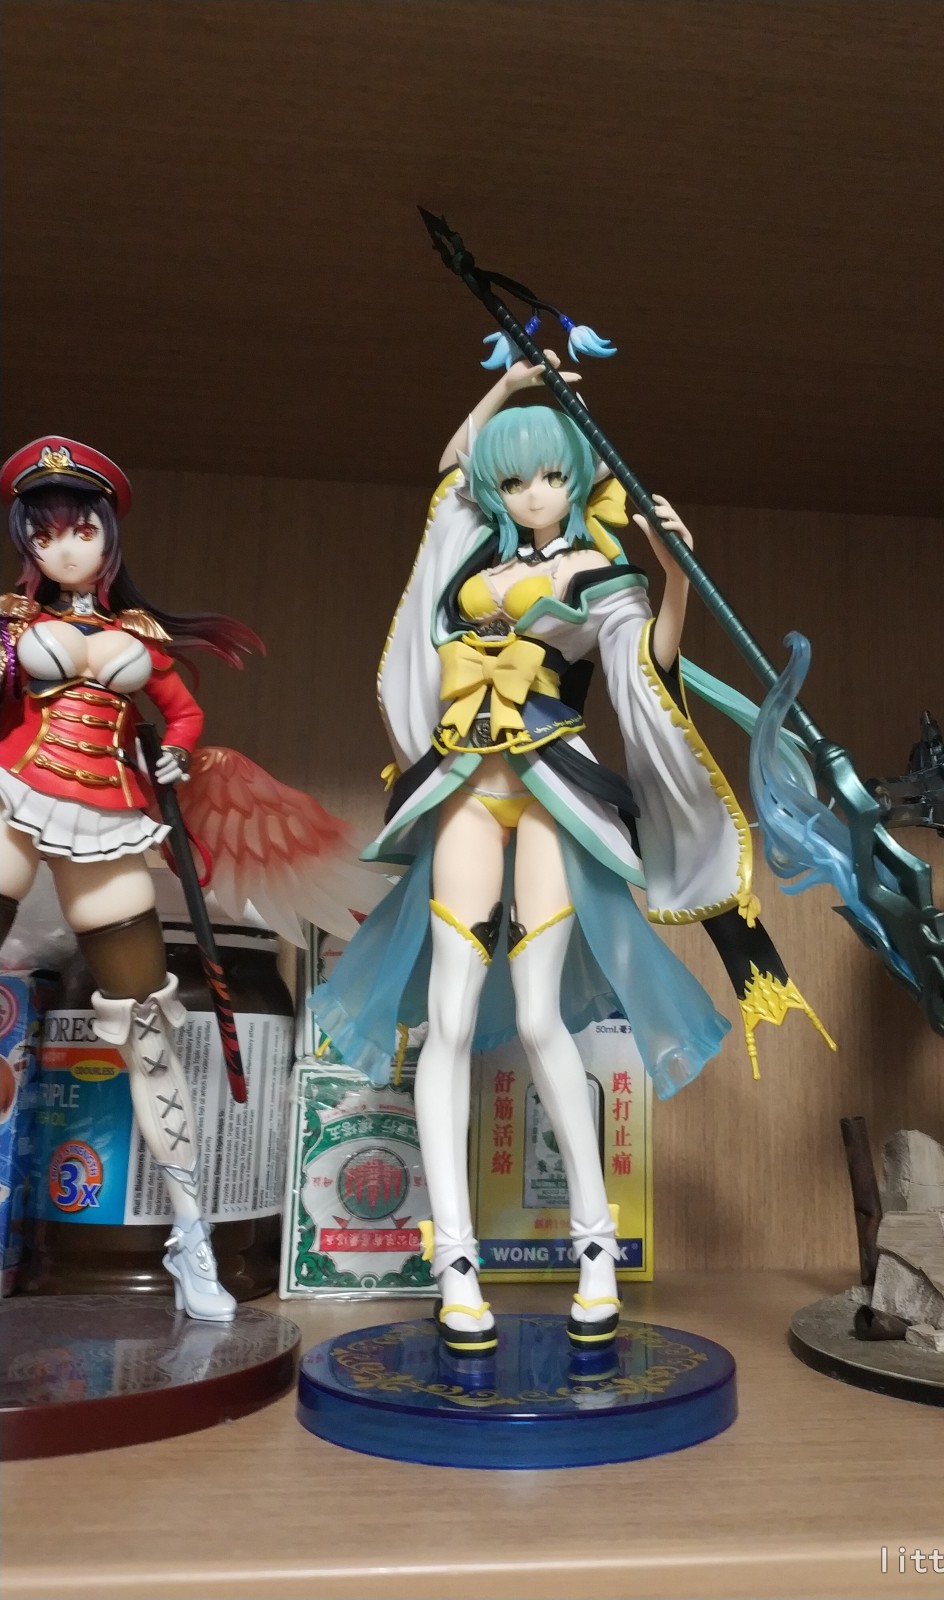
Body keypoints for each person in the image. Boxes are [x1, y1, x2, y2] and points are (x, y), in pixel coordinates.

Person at [313, 355, 827, 1353]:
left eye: (551, 475)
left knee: (542, 1014)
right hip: (466, 784)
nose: (534, 493)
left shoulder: (593, 571)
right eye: (515, 480)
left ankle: (596, 1248)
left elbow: (649, 664)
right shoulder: (473, 562)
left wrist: (673, 573)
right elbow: (451, 470)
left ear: (577, 478)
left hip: (552, 783)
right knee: (448, 1016)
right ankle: (455, 1263)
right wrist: (510, 384)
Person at [0, 436, 376, 1320]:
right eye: (45, 534)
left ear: (107, 536)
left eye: (80, 529)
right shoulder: (12, 625)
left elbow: (182, 709)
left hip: (107, 820)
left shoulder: (137, 635)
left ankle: (192, 1237)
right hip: (14, 796)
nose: (64, 548)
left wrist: (173, 754)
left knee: (147, 1026)